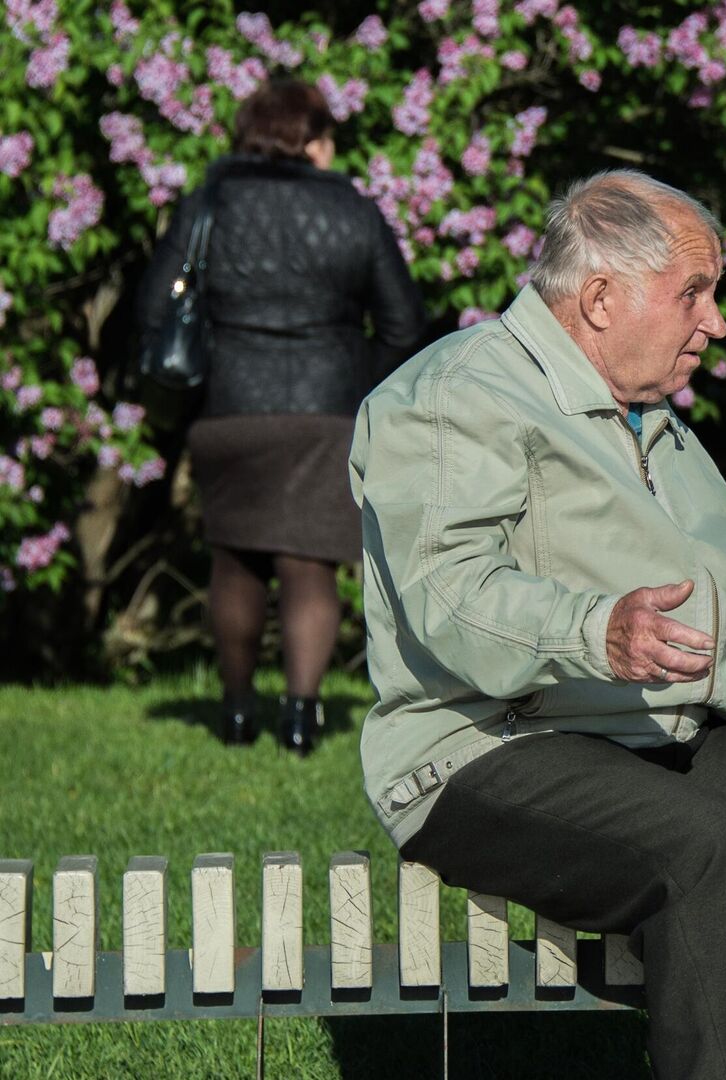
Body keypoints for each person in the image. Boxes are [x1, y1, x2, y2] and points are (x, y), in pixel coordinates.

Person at [350, 170, 726, 1080]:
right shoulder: (453, 397)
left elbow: (716, 615)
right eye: (693, 294)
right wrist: (597, 633)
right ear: (600, 298)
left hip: (646, 733)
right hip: (484, 746)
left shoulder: (655, 426)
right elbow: (450, 594)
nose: (715, 323)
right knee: (706, 847)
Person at [137, 78, 426, 754]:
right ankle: (300, 718)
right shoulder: (356, 211)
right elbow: (404, 324)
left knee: (234, 564)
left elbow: (155, 308)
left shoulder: (207, 202)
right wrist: (359, 387)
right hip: (326, 415)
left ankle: (237, 714)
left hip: (228, 408)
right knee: (310, 569)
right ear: (315, 142)